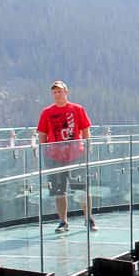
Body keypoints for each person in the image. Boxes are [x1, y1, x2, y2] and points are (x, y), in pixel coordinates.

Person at [37, 80, 95, 232]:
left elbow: (86, 131)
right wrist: (45, 155)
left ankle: (88, 219)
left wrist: (87, 151)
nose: (57, 94)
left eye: (59, 91)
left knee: (81, 188)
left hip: (76, 156)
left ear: (66, 92)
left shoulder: (77, 109)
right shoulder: (47, 112)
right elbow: (42, 135)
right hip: (55, 157)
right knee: (58, 191)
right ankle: (63, 222)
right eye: (54, 92)